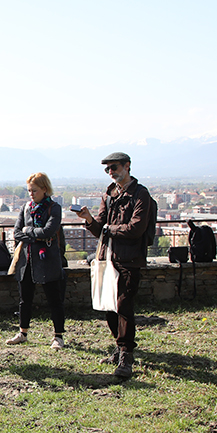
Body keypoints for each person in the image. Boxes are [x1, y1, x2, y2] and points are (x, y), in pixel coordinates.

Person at [77, 152, 153, 380]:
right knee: (109, 305)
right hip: (108, 258)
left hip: (130, 260)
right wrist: (89, 219)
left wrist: (109, 229)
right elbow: (101, 227)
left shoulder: (141, 195)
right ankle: (119, 349)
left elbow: (136, 228)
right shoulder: (109, 195)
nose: (111, 172)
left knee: (124, 307)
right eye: (107, 169)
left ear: (127, 166)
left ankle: (126, 355)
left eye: (114, 167)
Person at [5, 172, 66, 351]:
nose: (31, 194)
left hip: (48, 260)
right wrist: (34, 234)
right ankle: (22, 332)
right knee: (25, 299)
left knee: (55, 299)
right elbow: (17, 233)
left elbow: (49, 231)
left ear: (45, 189)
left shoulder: (54, 208)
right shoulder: (26, 208)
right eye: (29, 190)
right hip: (27, 260)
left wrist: (28, 231)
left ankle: (58, 336)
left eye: (35, 190)